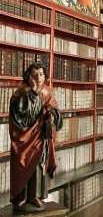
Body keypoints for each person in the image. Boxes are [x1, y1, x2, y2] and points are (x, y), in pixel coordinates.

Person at [9, 62, 62, 212]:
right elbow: (20, 116)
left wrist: (52, 114)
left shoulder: (46, 92)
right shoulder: (20, 92)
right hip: (24, 140)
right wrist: (32, 92)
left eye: (41, 74)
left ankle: (34, 196)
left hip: (40, 138)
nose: (38, 78)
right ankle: (20, 197)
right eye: (34, 75)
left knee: (38, 167)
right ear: (28, 76)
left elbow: (57, 113)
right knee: (22, 165)